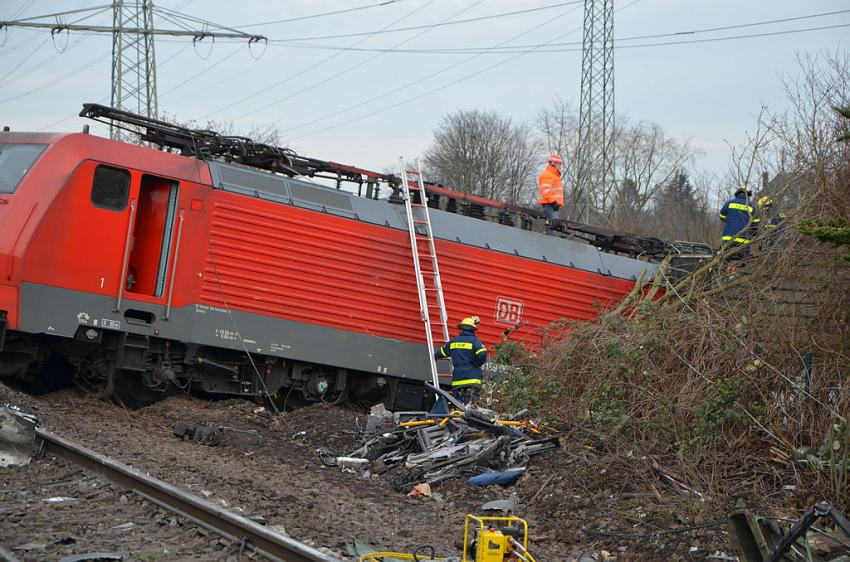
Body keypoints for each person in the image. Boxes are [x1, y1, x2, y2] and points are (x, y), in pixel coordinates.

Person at [434, 315, 488, 405]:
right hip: (472, 380)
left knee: (458, 406)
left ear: (462, 329)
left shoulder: (453, 342)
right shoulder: (475, 341)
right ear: (473, 330)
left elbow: (440, 353)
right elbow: (482, 354)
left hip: (458, 380)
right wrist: (476, 363)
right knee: (471, 406)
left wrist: (436, 356)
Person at [719, 184, 760, 258]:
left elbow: (721, 216)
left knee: (723, 263)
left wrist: (730, 221)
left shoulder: (729, 203)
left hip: (727, 241)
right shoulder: (751, 207)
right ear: (748, 195)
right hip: (743, 243)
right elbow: (755, 226)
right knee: (741, 264)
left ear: (737, 193)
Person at [538, 154, 565, 236]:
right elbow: (546, 190)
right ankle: (550, 243)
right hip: (550, 204)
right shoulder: (548, 174)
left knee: (553, 224)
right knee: (553, 224)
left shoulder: (553, 175)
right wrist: (553, 202)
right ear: (554, 163)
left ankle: (551, 241)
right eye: (559, 163)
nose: (560, 166)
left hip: (552, 205)